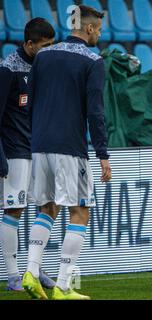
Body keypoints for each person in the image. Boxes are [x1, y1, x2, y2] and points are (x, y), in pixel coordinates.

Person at [22, 5, 112, 300]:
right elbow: (96, 113)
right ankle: (62, 286)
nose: (99, 34)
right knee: (80, 211)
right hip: (70, 147)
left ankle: (31, 273)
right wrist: (103, 155)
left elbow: (30, 101)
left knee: (47, 209)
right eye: (98, 29)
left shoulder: (43, 55)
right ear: (88, 29)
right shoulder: (93, 60)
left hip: (39, 144)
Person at [0, 18, 56, 292]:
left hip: (41, 149)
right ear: (28, 44)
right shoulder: (8, 69)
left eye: (52, 45)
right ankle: (12, 275)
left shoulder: (46, 69)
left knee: (47, 207)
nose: (48, 50)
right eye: (44, 46)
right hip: (15, 152)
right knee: (14, 210)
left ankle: (35, 268)